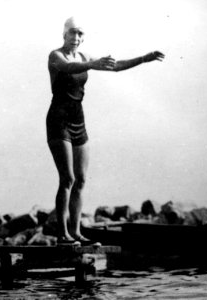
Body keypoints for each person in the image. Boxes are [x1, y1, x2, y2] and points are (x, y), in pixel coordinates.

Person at [47, 17, 164, 245]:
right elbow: (67, 67)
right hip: (58, 120)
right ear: (64, 34)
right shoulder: (55, 55)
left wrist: (143, 59)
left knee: (80, 179)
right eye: (72, 33)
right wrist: (92, 64)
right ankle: (62, 235)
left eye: (80, 34)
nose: (76, 38)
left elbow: (116, 65)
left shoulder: (85, 56)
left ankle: (76, 231)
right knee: (67, 178)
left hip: (78, 118)